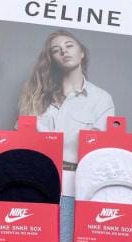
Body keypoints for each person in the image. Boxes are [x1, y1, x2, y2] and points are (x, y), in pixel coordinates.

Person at [19, 30, 115, 171]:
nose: (64, 51)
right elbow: (21, 138)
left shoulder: (102, 99)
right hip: (35, 169)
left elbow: (99, 149)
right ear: (52, 60)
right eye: (56, 50)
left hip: (78, 173)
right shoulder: (34, 95)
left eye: (69, 45)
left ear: (82, 53)